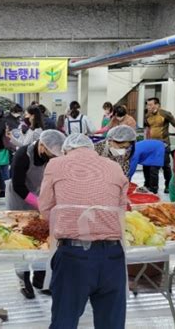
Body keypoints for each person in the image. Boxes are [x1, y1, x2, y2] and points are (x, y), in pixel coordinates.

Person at [39, 133, 128, 329]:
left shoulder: (56, 165)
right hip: (113, 256)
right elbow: (122, 209)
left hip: (74, 257)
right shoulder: (114, 166)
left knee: (65, 321)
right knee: (111, 324)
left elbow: (45, 210)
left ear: (65, 150)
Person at [5, 130, 65, 299]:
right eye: (51, 153)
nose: (53, 157)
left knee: (41, 241)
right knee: (22, 242)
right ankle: (24, 280)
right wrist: (39, 203)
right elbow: (18, 186)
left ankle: (40, 279)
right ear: (42, 145)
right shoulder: (23, 155)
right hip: (19, 199)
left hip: (39, 196)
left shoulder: (51, 158)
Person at [144, 97, 175, 193]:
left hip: (164, 143)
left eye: (150, 105)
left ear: (157, 105)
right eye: (147, 105)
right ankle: (153, 188)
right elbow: (148, 130)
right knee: (152, 166)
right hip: (152, 145)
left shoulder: (165, 114)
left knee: (165, 165)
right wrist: (146, 141)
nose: (148, 107)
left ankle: (168, 185)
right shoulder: (147, 115)